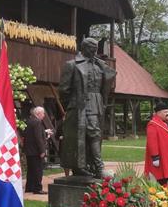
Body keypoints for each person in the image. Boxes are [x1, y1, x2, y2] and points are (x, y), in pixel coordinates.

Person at [58, 37, 115, 178]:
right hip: (81, 103)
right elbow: (64, 90)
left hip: (97, 103)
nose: (94, 52)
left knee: (94, 136)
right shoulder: (72, 65)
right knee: (93, 134)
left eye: (96, 49)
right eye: (91, 48)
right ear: (83, 48)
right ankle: (99, 167)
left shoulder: (99, 66)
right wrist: (74, 105)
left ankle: (85, 166)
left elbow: (106, 84)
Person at [24, 106, 48, 194]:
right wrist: (42, 150)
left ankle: (29, 187)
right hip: (35, 151)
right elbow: (38, 137)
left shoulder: (29, 121)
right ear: (38, 114)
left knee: (31, 170)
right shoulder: (37, 122)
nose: (44, 115)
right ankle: (37, 188)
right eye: (43, 113)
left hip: (29, 150)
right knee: (38, 170)